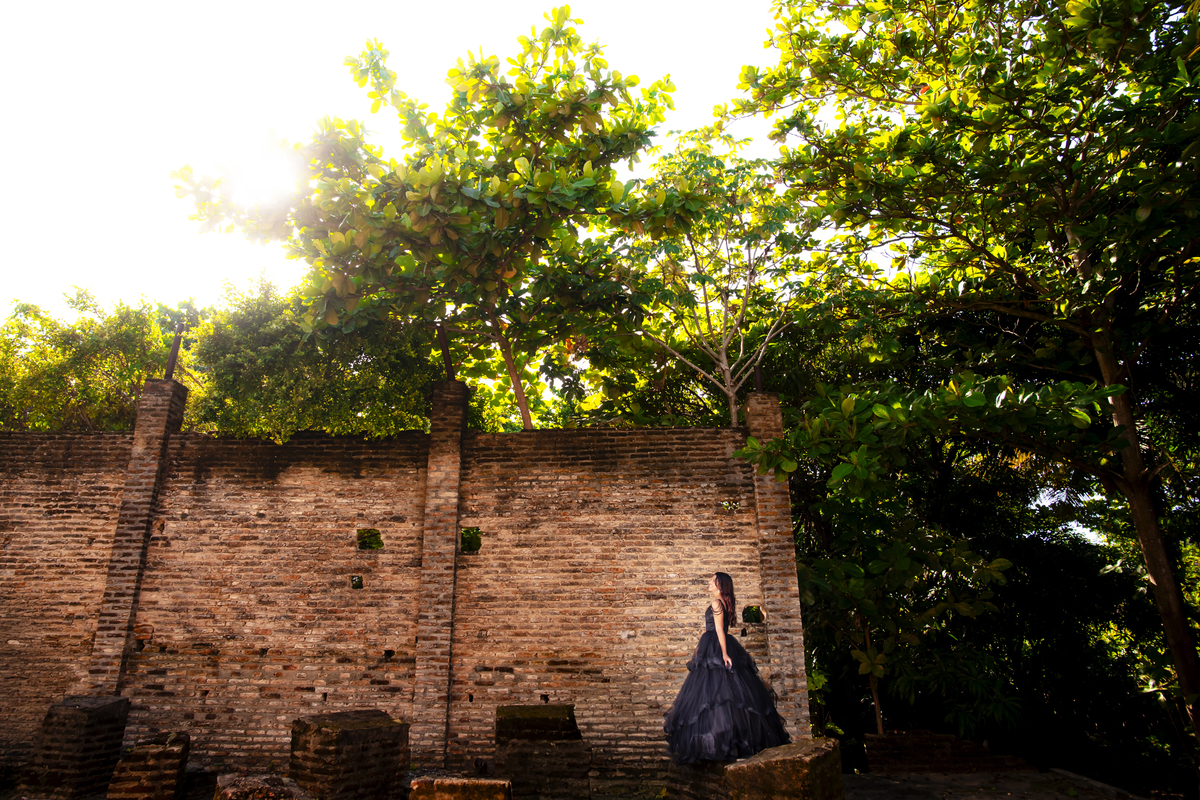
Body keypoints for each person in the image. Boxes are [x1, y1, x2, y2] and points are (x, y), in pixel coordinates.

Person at [663, 572, 790, 764]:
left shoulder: (716, 603)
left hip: (716, 646)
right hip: (712, 645)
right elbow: (714, 629)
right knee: (724, 698)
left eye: (712, 580)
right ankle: (726, 743)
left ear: (720, 585)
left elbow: (720, 630)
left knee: (715, 698)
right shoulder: (723, 603)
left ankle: (719, 744)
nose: (709, 583)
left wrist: (723, 654)